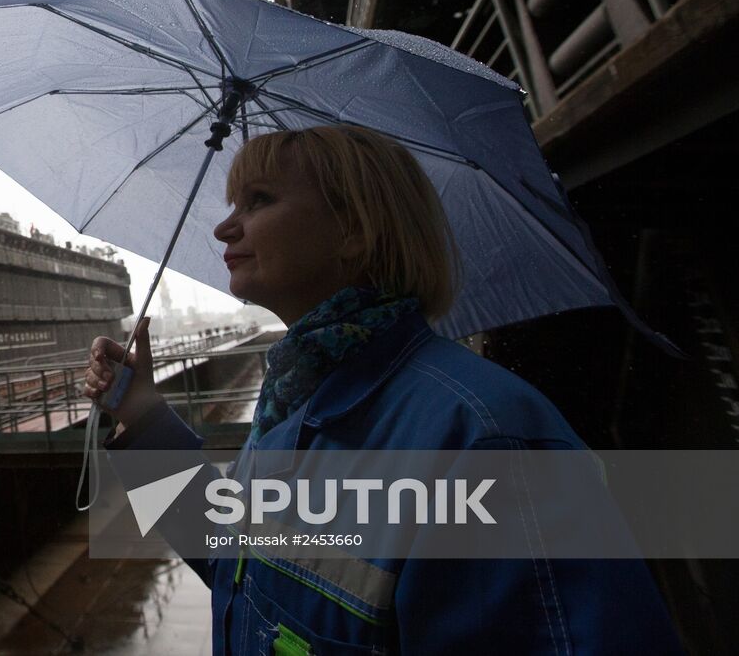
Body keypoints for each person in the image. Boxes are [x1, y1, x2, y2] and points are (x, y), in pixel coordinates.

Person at [85, 125, 682, 655]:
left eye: (259, 200)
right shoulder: (295, 405)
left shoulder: (485, 442)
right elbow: (234, 558)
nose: (225, 225)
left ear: (355, 230)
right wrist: (144, 416)